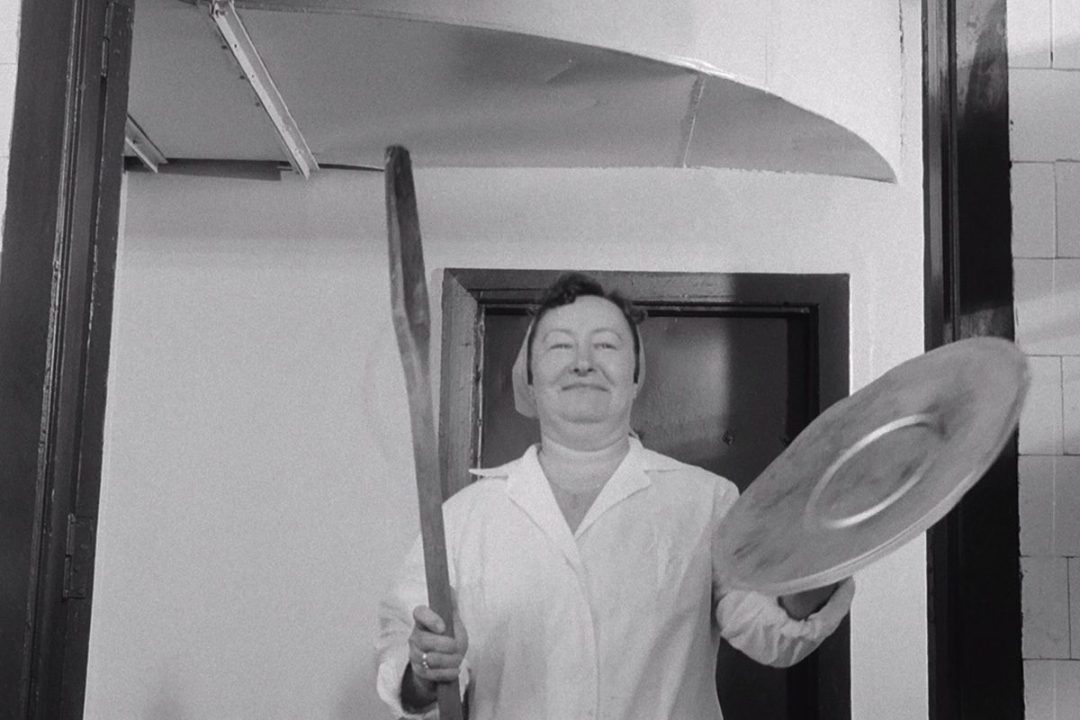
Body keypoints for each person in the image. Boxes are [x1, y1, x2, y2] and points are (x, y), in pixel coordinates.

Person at [375, 272, 855, 720]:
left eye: (605, 344)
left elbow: (769, 634)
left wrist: (834, 545)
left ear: (636, 375)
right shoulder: (464, 518)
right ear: (529, 379)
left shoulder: (706, 502)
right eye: (560, 346)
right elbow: (408, 654)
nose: (583, 362)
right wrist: (423, 671)